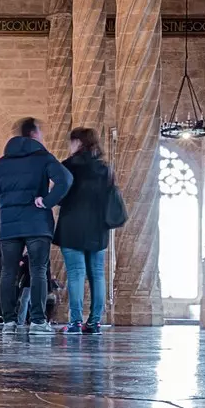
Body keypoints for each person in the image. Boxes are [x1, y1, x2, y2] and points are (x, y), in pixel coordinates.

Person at [0, 117, 72, 330]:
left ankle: (8, 321)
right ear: (34, 134)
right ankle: (38, 321)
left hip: (9, 225)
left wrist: (7, 204)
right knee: (38, 270)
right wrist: (48, 201)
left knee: (8, 271)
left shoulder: (1, 163)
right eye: (40, 132)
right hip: (37, 223)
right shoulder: (43, 157)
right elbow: (65, 180)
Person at [52, 127, 121, 334]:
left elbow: (59, 196)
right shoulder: (105, 169)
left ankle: (75, 322)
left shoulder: (67, 166)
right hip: (97, 227)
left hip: (72, 225)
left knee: (75, 274)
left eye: (71, 141)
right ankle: (94, 322)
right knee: (97, 275)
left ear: (78, 142)